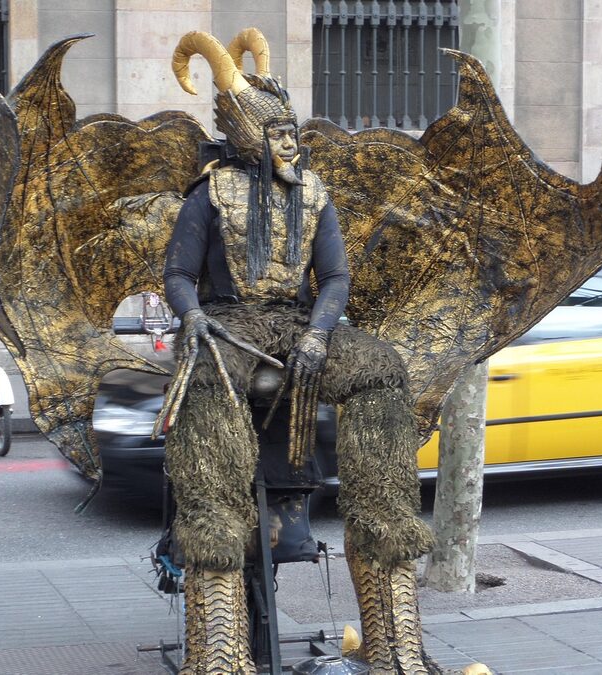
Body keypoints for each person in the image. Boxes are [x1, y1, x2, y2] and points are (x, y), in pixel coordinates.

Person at [158, 28, 446, 674]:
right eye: (279, 133)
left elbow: (336, 279)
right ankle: (219, 649)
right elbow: (176, 275)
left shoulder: (313, 194)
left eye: (293, 132)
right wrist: (195, 316)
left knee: (380, 371)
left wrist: (319, 331)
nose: (291, 143)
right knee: (208, 386)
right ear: (243, 134)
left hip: (295, 326)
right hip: (228, 326)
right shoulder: (208, 195)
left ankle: (393, 636)